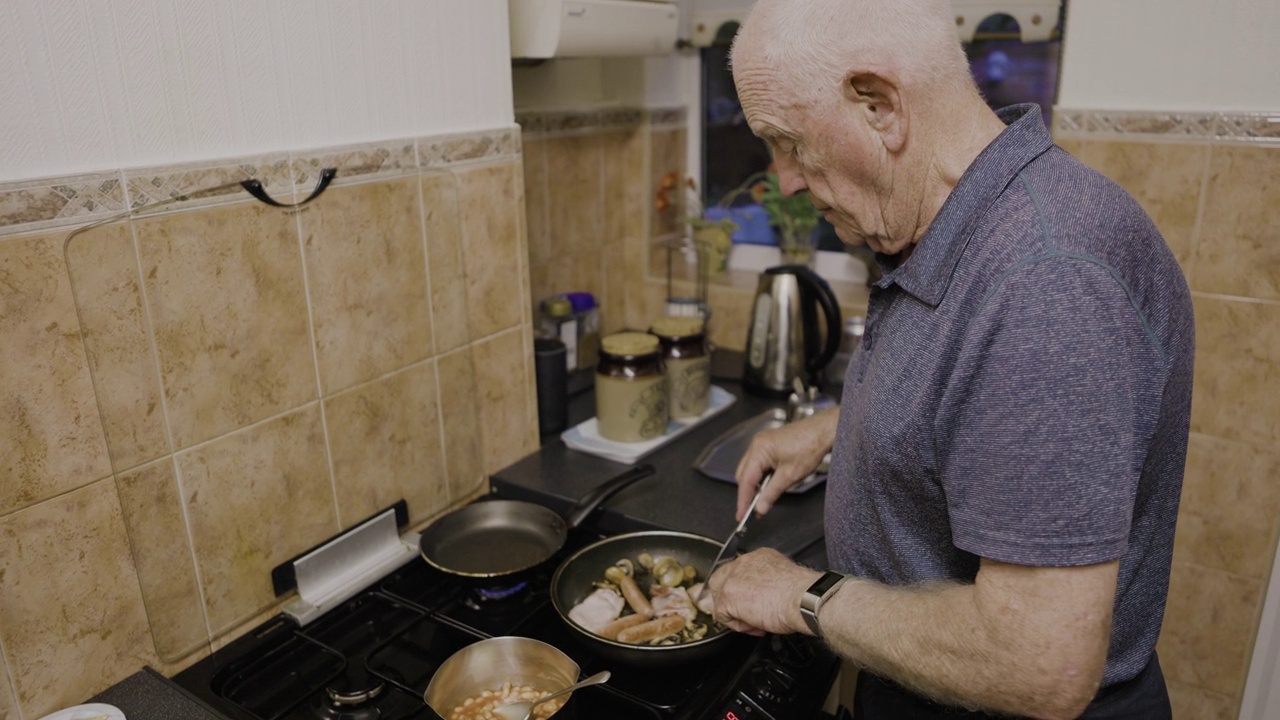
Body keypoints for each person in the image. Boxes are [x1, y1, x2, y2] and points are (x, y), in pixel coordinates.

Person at [704, 1, 1195, 718]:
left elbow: (1039, 663)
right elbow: (977, 395)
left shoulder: (1044, 279)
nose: (784, 181)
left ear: (880, 107)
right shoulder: (962, 217)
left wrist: (798, 595)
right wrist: (849, 425)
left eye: (788, 143)